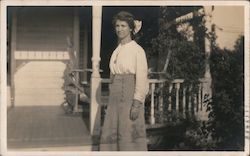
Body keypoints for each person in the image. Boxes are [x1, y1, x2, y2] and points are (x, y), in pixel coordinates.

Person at [99, 11, 149, 151]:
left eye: (123, 26)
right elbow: (113, 74)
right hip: (115, 97)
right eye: (117, 26)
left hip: (129, 95)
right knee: (113, 129)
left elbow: (141, 79)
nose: (119, 29)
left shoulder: (137, 50)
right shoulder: (117, 50)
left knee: (128, 131)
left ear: (131, 28)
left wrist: (137, 104)